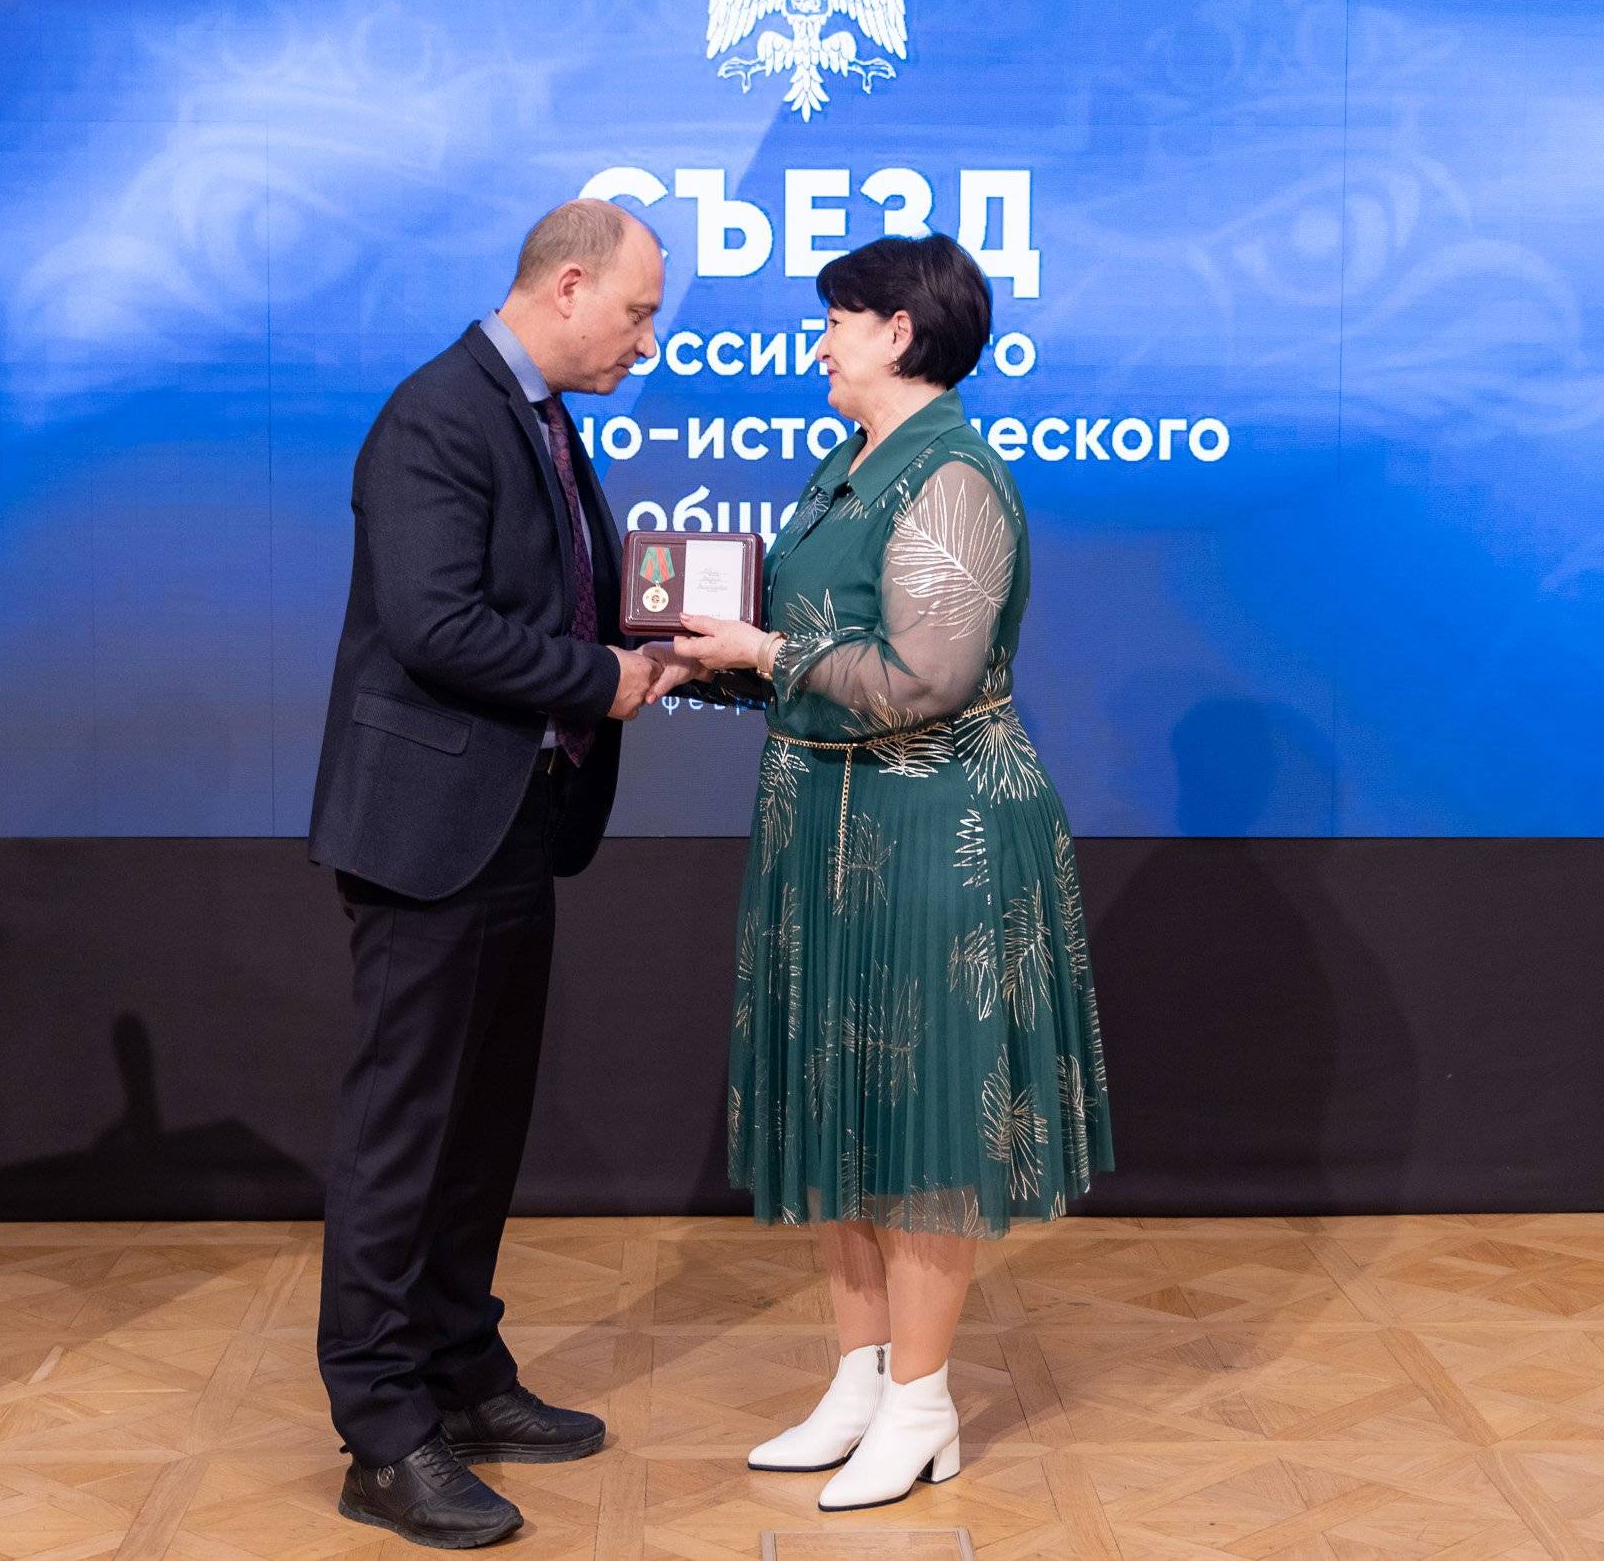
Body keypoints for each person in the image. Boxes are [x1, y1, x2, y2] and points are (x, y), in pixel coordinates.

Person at [647, 232, 1113, 1513]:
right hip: (828, 826)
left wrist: (761, 653)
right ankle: (858, 1382)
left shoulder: (949, 474)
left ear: (898, 333)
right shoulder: (846, 463)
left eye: (836, 320)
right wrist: (714, 659)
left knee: (923, 1117)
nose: (820, 342)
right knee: (843, 1102)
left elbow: (925, 680)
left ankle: (921, 1404)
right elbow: (817, 643)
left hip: (932, 831)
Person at [306, 199, 665, 1549]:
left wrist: (666, 638)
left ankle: (459, 1370)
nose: (645, 342)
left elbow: (545, 591)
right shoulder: (437, 415)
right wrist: (601, 677)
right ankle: (380, 1430)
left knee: (480, 1123)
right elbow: (434, 623)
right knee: (405, 1132)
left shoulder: (539, 416)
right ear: (567, 286)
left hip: (514, 815)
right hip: (427, 830)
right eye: (635, 313)